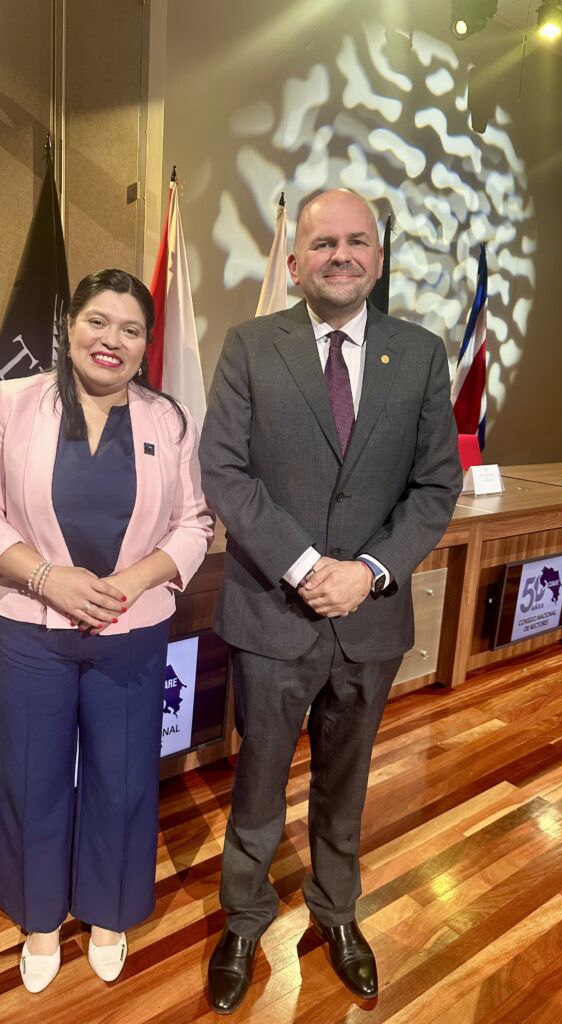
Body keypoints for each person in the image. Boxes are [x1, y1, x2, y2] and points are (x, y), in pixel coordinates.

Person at [199, 188, 462, 1012]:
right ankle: (243, 918)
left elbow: (435, 485)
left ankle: (335, 912)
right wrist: (309, 564)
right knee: (257, 788)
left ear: (377, 259)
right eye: (322, 244)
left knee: (345, 787)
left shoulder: (420, 354)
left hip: (370, 621)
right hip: (273, 613)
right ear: (294, 260)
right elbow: (225, 473)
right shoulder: (249, 345)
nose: (339, 255)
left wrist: (370, 570)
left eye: (355, 243)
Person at [0, 269, 214, 994]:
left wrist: (135, 580)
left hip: (132, 629)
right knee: (31, 774)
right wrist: (46, 578)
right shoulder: (12, 402)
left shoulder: (170, 420)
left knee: (123, 773)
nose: (112, 340)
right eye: (99, 322)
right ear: (70, 325)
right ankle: (39, 920)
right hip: (31, 628)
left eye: (131, 330)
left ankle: (109, 911)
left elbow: (195, 523)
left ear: (146, 345)